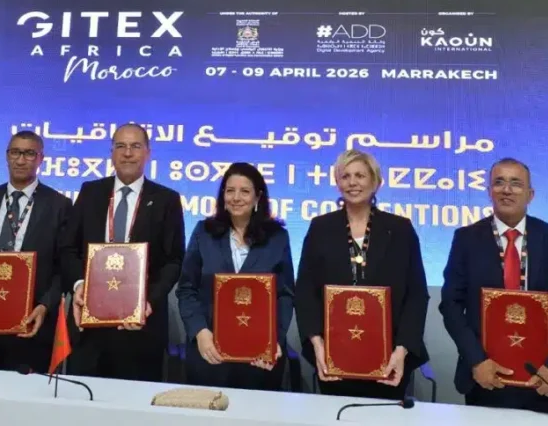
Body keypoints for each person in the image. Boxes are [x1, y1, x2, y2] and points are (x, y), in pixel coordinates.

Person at [439, 157, 548, 413]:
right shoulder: (466, 239)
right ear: (489, 191)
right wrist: (476, 361)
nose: (507, 190)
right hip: (487, 379)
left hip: (545, 379)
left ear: (530, 194)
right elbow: (451, 306)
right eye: (499, 182)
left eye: (516, 183)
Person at [295, 149, 429, 400]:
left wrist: (402, 350)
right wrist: (317, 344)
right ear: (338, 183)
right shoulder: (320, 228)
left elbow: (417, 294)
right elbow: (305, 291)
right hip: (333, 357)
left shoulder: (400, 229)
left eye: (360, 175)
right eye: (345, 176)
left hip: (389, 358)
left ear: (375, 181)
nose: (352, 182)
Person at [64, 123, 185, 381]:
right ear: (111, 153)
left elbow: (174, 260)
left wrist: (148, 301)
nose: (127, 153)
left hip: (141, 328)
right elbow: (68, 248)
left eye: (135, 146)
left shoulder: (167, 200)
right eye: (120, 146)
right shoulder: (90, 192)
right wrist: (79, 284)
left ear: (148, 153)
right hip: (89, 325)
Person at [0, 131, 72, 372]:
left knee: (27, 392)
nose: (21, 160)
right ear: (7, 156)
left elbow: (63, 265)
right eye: (15, 152)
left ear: (40, 159)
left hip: (31, 322)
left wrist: (45, 305)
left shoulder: (58, 204)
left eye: (29, 153)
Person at [176, 162, 295, 390]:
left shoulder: (277, 237)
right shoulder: (204, 232)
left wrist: (275, 341)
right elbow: (187, 289)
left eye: (245, 191)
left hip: (259, 358)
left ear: (258, 197)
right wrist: (200, 332)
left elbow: (285, 295)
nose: (236, 198)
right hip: (209, 352)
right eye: (230, 191)